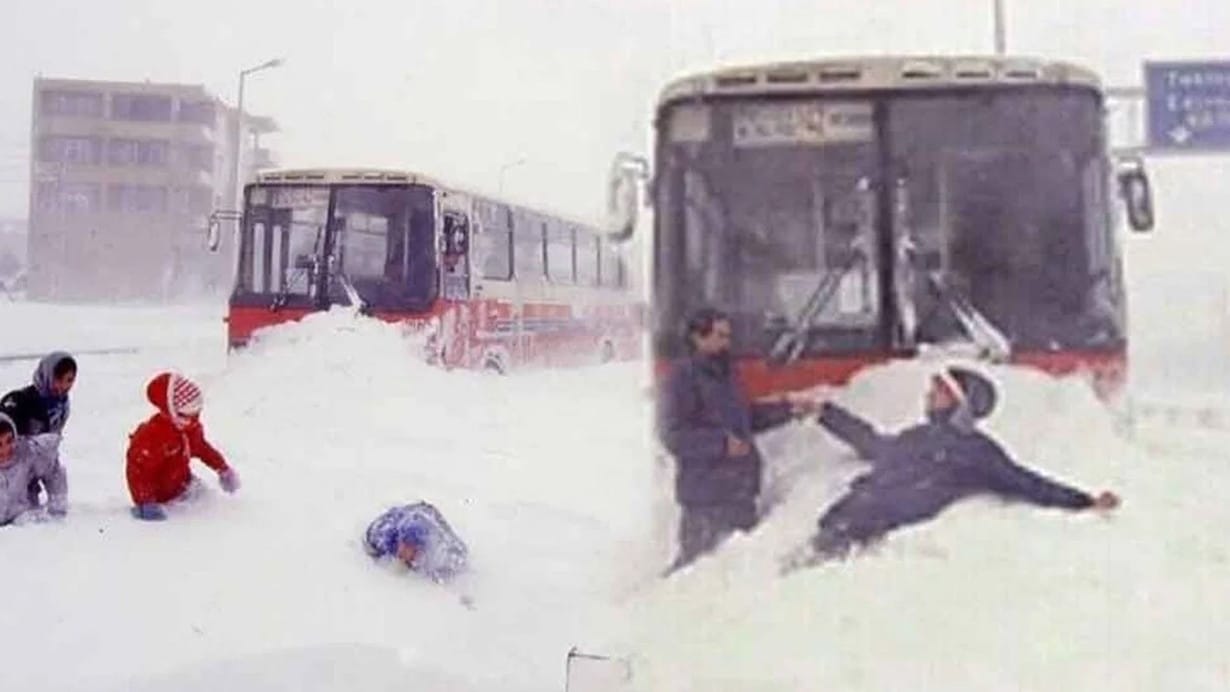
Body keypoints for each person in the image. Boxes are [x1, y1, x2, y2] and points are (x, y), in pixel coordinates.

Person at [804, 365, 1119, 564]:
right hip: (844, 517)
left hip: (869, 534)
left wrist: (1084, 501)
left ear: (960, 403)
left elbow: (1025, 482)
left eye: (939, 392)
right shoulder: (918, 436)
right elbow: (874, 444)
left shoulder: (975, 451)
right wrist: (826, 414)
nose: (928, 395)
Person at [658, 308, 818, 573]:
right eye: (720, 336)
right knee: (695, 572)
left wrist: (788, 410)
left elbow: (745, 419)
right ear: (698, 338)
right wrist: (720, 445)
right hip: (706, 499)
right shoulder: (681, 378)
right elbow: (672, 435)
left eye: (728, 336)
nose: (727, 343)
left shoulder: (727, 374)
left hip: (740, 494)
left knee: (737, 570)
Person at [126, 372, 239, 521]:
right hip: (159, 500)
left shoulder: (188, 428)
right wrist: (145, 502)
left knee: (214, 511)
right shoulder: (153, 436)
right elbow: (139, 471)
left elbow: (202, 448)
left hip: (184, 485)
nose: (195, 419)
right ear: (172, 411)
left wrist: (222, 468)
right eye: (190, 414)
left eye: (197, 413)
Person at [1, 351, 76, 509]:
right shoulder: (20, 400)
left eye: (69, 380)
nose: (63, 386)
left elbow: (50, 452)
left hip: (37, 465)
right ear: (47, 374)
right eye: (58, 379)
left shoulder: (61, 406)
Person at [363, 501, 469, 583]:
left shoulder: (438, 546)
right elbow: (373, 535)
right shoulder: (385, 537)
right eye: (403, 544)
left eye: (411, 547)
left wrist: (440, 572)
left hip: (429, 514)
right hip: (408, 513)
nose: (404, 551)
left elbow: (459, 555)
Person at [0, 413, 67, 526]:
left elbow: (53, 470)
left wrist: (57, 505)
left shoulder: (26, 453)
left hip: (24, 520)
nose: (5, 449)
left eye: (9, 440)